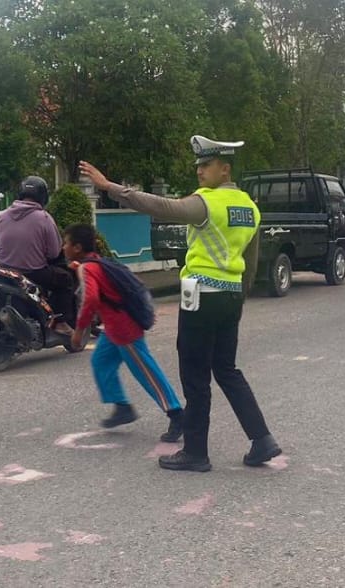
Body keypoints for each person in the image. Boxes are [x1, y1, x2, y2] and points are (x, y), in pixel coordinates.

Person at [78, 136, 280, 473]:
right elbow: (251, 260)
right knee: (227, 370)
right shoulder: (249, 207)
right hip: (231, 296)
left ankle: (196, 452)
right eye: (198, 166)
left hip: (201, 296)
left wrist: (109, 186)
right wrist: (238, 297)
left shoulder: (207, 203)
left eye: (206, 165)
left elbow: (161, 207)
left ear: (225, 169)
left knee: (195, 376)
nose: (200, 171)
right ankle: (262, 439)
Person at [64, 223, 184, 442]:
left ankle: (176, 413)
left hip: (124, 329)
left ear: (77, 247)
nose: (64, 247)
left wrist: (79, 330)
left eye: (66, 243)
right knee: (101, 362)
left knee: (146, 372)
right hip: (113, 328)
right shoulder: (97, 263)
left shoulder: (88, 268)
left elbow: (90, 299)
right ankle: (122, 407)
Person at [0, 176, 77, 333]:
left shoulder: (3, 215)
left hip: (4, 272)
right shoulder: (44, 218)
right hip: (33, 273)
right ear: (43, 196)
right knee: (66, 279)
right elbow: (54, 252)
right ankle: (61, 322)